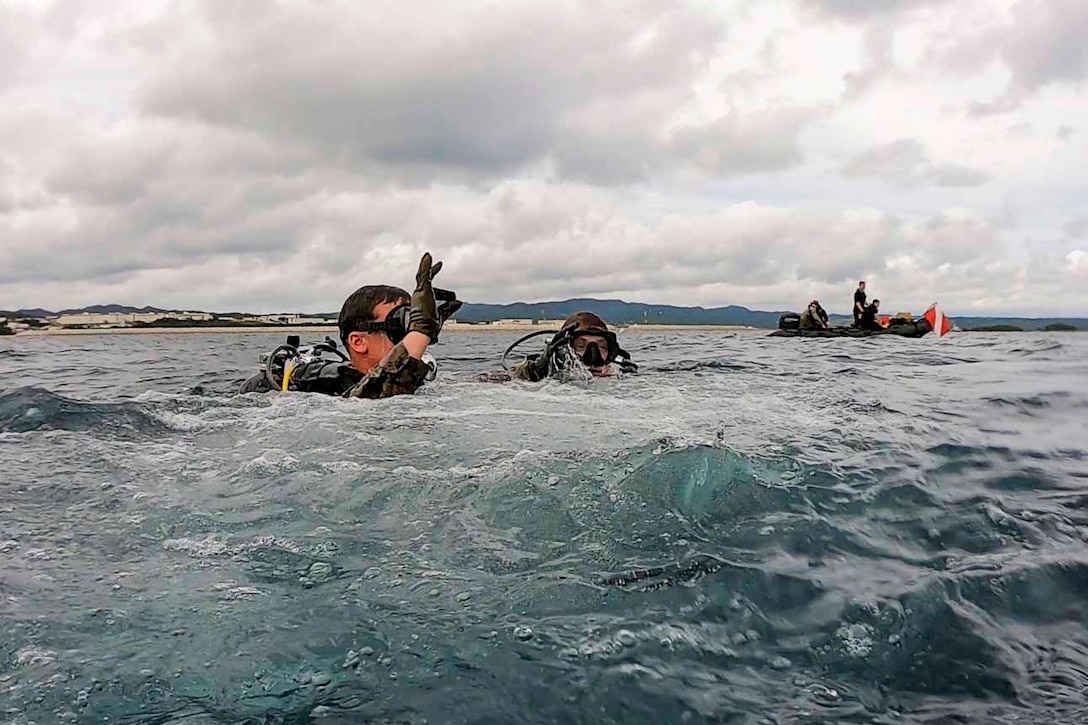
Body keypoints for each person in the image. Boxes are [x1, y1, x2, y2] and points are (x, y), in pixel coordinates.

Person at [239, 253, 461, 398]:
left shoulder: (416, 383)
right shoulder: (326, 387)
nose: (409, 336)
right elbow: (376, 397)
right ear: (358, 341)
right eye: (400, 324)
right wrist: (421, 332)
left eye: (412, 320)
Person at [494, 311, 637, 382]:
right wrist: (536, 372)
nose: (593, 358)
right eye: (581, 347)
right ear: (564, 351)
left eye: (602, 347)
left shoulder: (619, 376)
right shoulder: (542, 375)